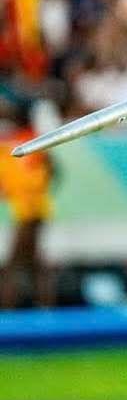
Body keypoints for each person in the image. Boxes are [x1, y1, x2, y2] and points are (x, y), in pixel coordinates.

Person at [0, 103, 56, 309]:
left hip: (30, 209)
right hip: (26, 208)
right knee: (33, 261)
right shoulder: (12, 141)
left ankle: (9, 308)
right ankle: (44, 305)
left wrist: (33, 191)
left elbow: (48, 170)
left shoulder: (30, 140)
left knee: (15, 263)